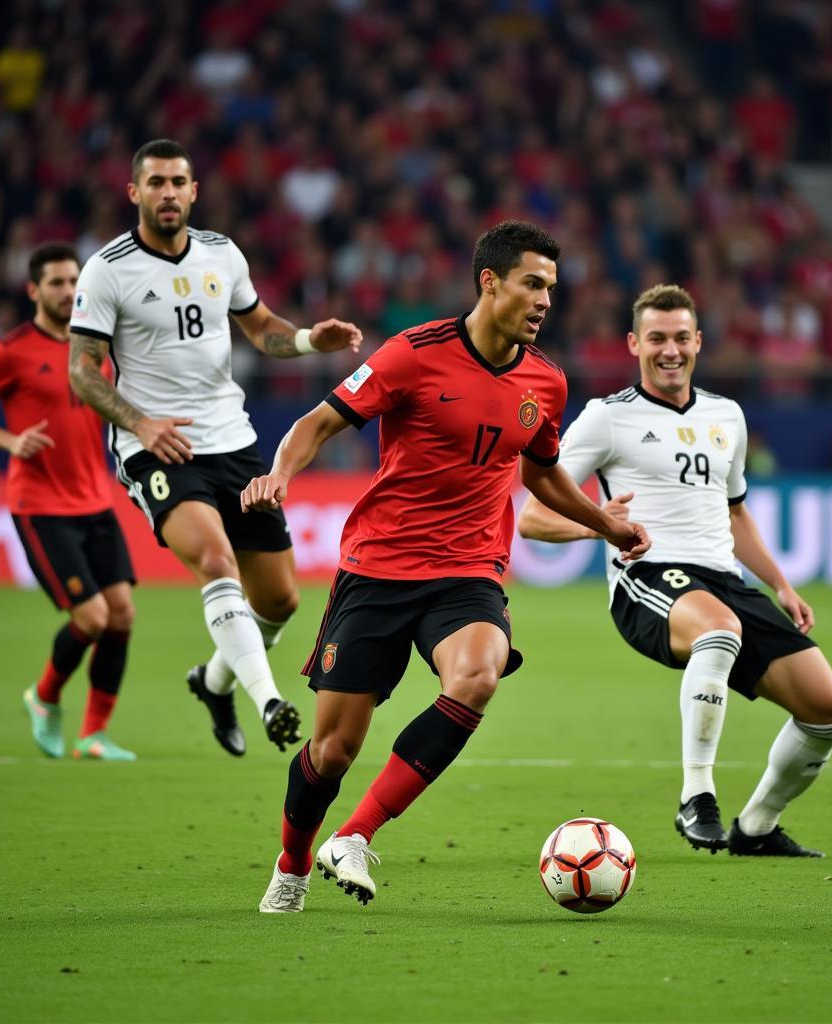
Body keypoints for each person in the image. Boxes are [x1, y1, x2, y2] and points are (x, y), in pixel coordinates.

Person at [241, 220, 651, 913]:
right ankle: (293, 861)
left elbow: (544, 476)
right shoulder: (413, 354)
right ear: (490, 282)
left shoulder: (545, 382)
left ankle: (358, 834)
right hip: (379, 565)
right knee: (333, 751)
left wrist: (604, 522)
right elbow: (316, 423)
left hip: (468, 570)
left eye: (551, 287)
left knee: (480, 672)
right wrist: (281, 474)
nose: (546, 299)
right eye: (532, 283)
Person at [518, 283, 832, 858]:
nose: (669, 350)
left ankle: (757, 827)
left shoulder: (728, 416)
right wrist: (603, 524)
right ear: (633, 344)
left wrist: (780, 584)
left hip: (724, 582)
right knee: (719, 628)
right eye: (656, 339)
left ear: (698, 341)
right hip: (646, 577)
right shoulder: (606, 418)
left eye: (679, 338)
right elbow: (533, 518)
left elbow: (736, 512)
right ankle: (696, 795)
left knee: (829, 710)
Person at [68, 139, 362, 758]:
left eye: (178, 181)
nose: (168, 192)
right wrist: (141, 424)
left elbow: (262, 331)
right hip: (159, 449)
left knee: (279, 600)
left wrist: (312, 339)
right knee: (216, 561)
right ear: (135, 193)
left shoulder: (221, 254)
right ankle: (270, 702)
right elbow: (82, 371)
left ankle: (214, 680)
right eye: (156, 183)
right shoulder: (107, 269)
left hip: (235, 441)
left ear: (194, 191)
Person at [0, 243, 137, 761]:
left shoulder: (94, 350)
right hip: (40, 505)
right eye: (55, 282)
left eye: (72, 280)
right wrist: (10, 443)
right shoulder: (9, 351)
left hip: (94, 500)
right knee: (94, 617)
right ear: (33, 290)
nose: (66, 290)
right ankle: (45, 696)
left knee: (122, 614)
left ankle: (93, 736)